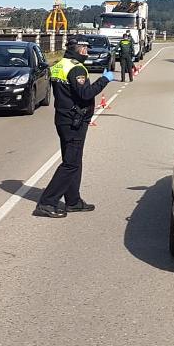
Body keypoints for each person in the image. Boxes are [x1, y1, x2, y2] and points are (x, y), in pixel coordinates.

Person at [35, 37, 114, 218]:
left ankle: (73, 201)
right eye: (85, 48)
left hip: (63, 118)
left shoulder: (59, 65)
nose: (87, 52)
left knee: (74, 161)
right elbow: (85, 94)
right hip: (74, 121)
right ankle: (47, 202)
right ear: (80, 49)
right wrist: (104, 80)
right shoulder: (77, 68)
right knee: (70, 163)